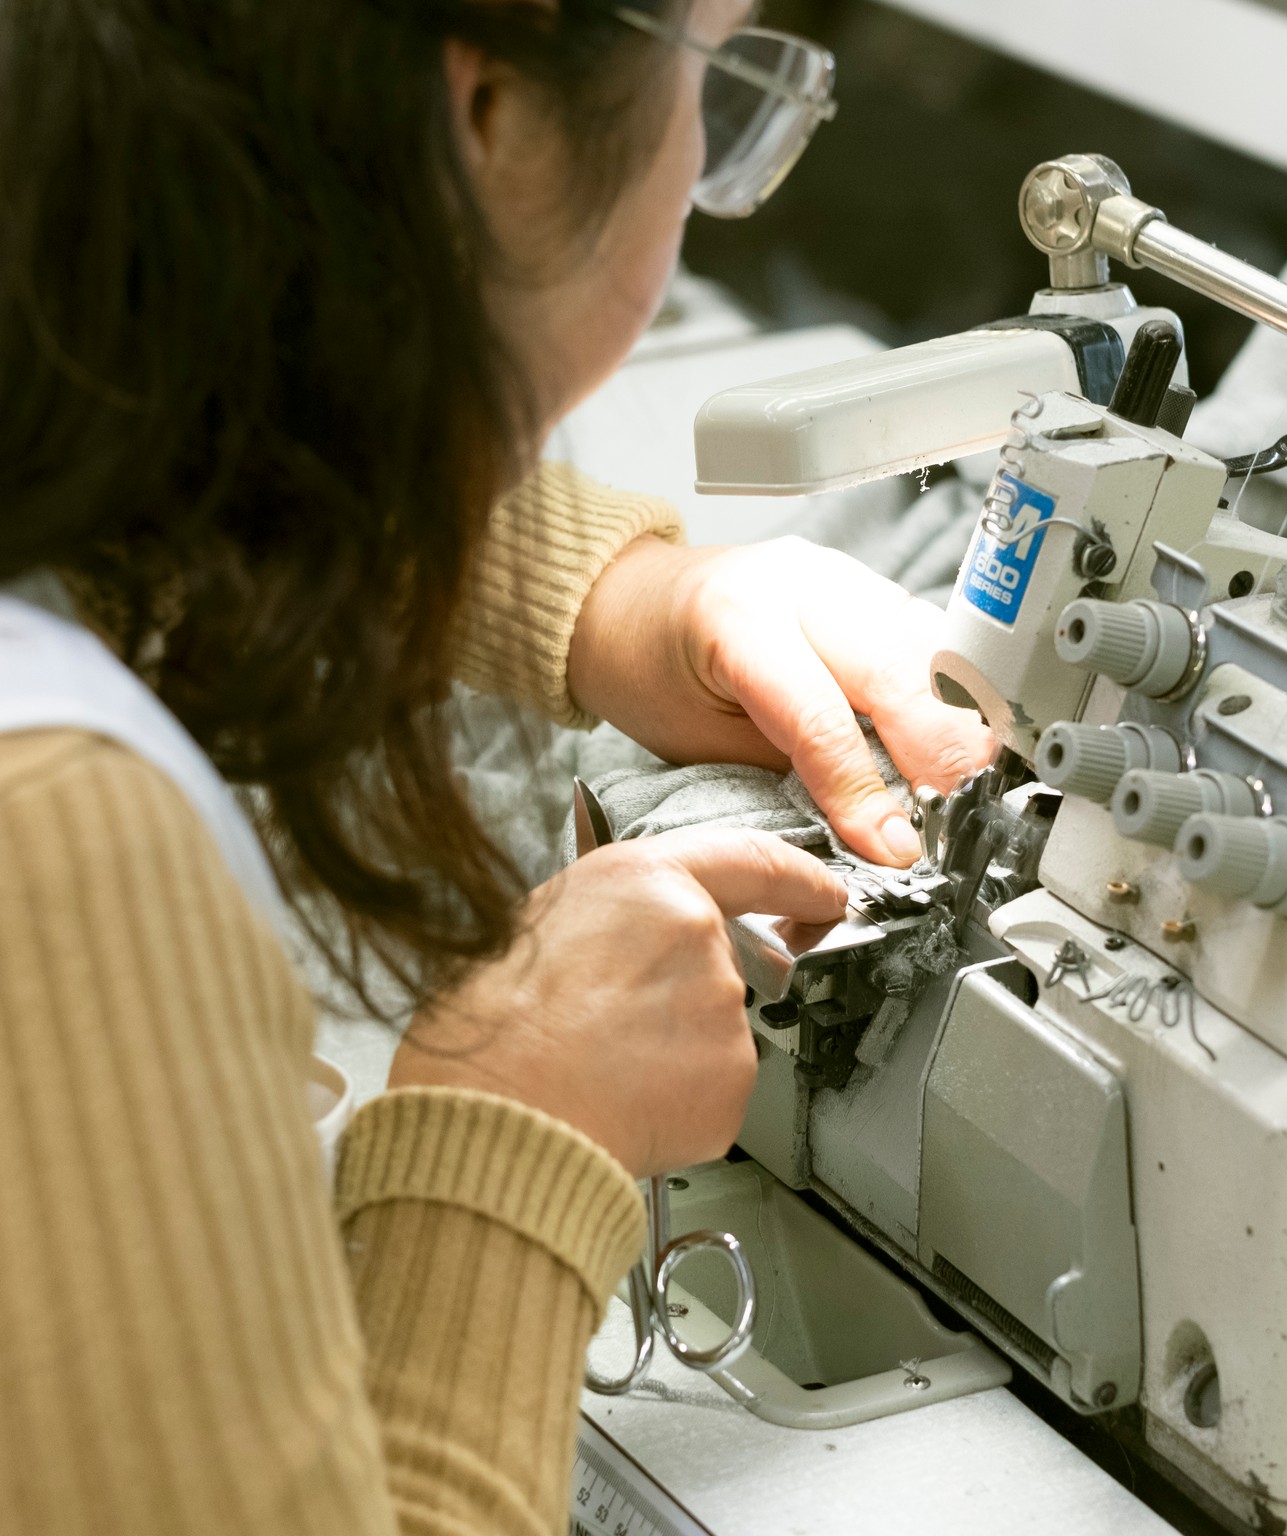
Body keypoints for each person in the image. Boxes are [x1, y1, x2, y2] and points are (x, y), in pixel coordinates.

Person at [0, 2, 990, 1532]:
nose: (707, 164)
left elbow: (142, 411)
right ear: (490, 120)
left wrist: (616, 600)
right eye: (722, 79)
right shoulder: (57, 845)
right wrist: (518, 1128)